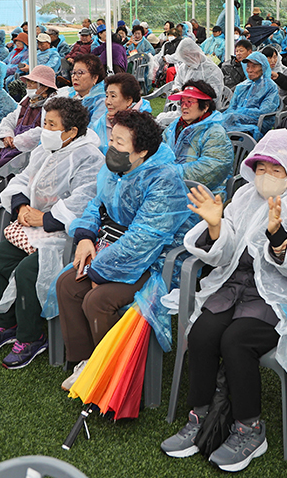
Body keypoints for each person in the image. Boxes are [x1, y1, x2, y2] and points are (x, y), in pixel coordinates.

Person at [163, 130, 287, 470]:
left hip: (277, 293)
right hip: (234, 285)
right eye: (261, 168)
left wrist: (279, 238)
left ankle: (249, 428)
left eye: (276, 169)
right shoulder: (243, 197)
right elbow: (223, 254)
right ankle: (201, 417)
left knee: (237, 341)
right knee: (202, 334)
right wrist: (215, 228)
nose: (266, 176)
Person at [55, 110, 191, 386]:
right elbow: (96, 204)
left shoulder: (163, 180)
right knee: (67, 284)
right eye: (112, 139)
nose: (110, 147)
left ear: (141, 151)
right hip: (112, 249)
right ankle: (88, 360)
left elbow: (145, 239)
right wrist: (84, 236)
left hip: (154, 262)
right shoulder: (116, 168)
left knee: (97, 299)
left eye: (119, 143)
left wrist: (98, 271)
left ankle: (115, 374)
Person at [0, 98, 105, 369]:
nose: (44, 129)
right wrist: (22, 205)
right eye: (44, 122)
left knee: (27, 271)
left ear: (70, 132)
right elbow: (22, 178)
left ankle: (31, 337)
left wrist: (45, 218)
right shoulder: (46, 149)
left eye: (51, 125)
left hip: (64, 236)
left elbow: (85, 200)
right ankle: (5, 323)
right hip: (31, 228)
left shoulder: (89, 157)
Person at [0, 65, 58, 175]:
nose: (28, 85)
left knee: (2, 166)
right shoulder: (27, 101)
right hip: (11, 146)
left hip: (29, 151)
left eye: (32, 83)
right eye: (28, 82)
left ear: (45, 87)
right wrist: (7, 134)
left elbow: (44, 131)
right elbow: (10, 119)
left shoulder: (52, 106)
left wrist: (19, 141)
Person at [162, 81, 233, 199]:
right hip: (170, 188)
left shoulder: (214, 133)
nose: (184, 106)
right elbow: (160, 151)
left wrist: (169, 173)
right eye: (182, 102)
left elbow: (210, 170)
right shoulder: (175, 126)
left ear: (205, 106)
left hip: (202, 197)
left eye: (189, 102)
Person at [221, 51, 280, 140]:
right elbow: (232, 107)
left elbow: (264, 110)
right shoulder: (242, 86)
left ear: (263, 67)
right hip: (236, 119)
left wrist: (240, 113)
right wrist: (235, 114)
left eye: (254, 66)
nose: (250, 70)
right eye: (248, 66)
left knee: (228, 119)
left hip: (258, 122)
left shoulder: (270, 87)